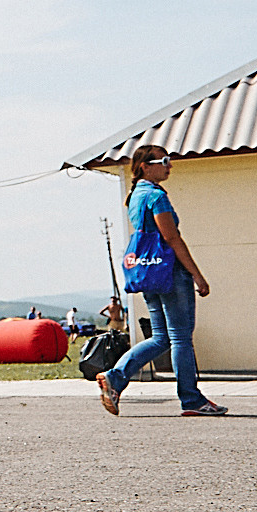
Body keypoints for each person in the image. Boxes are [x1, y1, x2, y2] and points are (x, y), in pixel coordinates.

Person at [96, 147, 225, 418]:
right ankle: (191, 399)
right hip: (170, 273)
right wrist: (197, 275)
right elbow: (171, 238)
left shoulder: (134, 197)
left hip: (148, 274)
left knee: (161, 337)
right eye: (164, 162)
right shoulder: (156, 196)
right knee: (180, 338)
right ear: (145, 166)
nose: (170, 166)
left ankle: (115, 378)